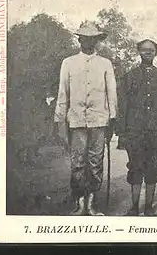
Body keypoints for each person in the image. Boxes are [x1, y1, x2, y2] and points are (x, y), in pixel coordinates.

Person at [54, 22, 117, 216]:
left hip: (99, 120)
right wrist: (60, 121)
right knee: (78, 163)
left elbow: (111, 92)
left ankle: (91, 204)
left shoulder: (105, 64)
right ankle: (79, 203)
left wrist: (112, 118)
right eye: (85, 38)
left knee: (95, 162)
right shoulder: (69, 63)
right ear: (79, 39)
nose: (88, 42)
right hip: (76, 120)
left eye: (92, 39)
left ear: (97, 41)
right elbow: (63, 93)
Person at [117, 39, 157, 216]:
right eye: (144, 50)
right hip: (135, 132)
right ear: (139, 52)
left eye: (151, 50)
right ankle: (134, 206)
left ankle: (149, 206)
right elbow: (123, 106)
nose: (147, 53)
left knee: (152, 169)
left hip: (156, 133)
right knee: (135, 168)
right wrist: (122, 133)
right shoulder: (129, 76)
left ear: (156, 53)